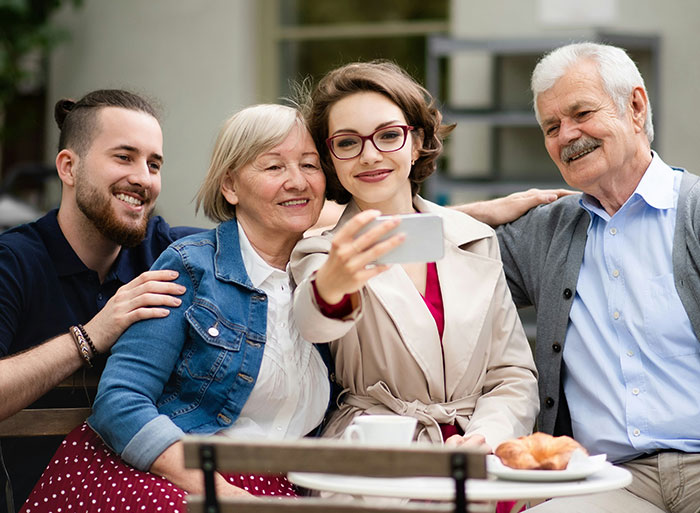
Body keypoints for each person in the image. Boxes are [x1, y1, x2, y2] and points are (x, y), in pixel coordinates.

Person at [21, 104, 333, 512]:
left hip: (281, 484)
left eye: (310, 165)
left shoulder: (328, 275)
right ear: (231, 187)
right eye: (274, 167)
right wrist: (218, 489)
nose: (297, 181)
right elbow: (121, 401)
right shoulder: (191, 266)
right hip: (157, 474)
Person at [482, 42, 700, 512]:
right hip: (612, 478)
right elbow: (421, 252)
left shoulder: (695, 212)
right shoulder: (546, 230)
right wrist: (479, 211)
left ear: (635, 107)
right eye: (552, 127)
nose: (568, 136)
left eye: (581, 113)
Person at [290, 61, 539, 454]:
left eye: (388, 135)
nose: (369, 155)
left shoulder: (475, 238)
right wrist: (332, 284)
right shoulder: (320, 251)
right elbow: (311, 322)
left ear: (418, 140)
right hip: (373, 455)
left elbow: (512, 375)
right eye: (347, 142)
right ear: (329, 157)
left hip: (477, 453)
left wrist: (487, 436)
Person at [0, 89, 198, 512]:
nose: (143, 178)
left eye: (154, 164)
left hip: (158, 492)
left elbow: (255, 242)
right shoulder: (13, 262)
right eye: (124, 157)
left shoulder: (170, 253)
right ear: (68, 168)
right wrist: (89, 336)